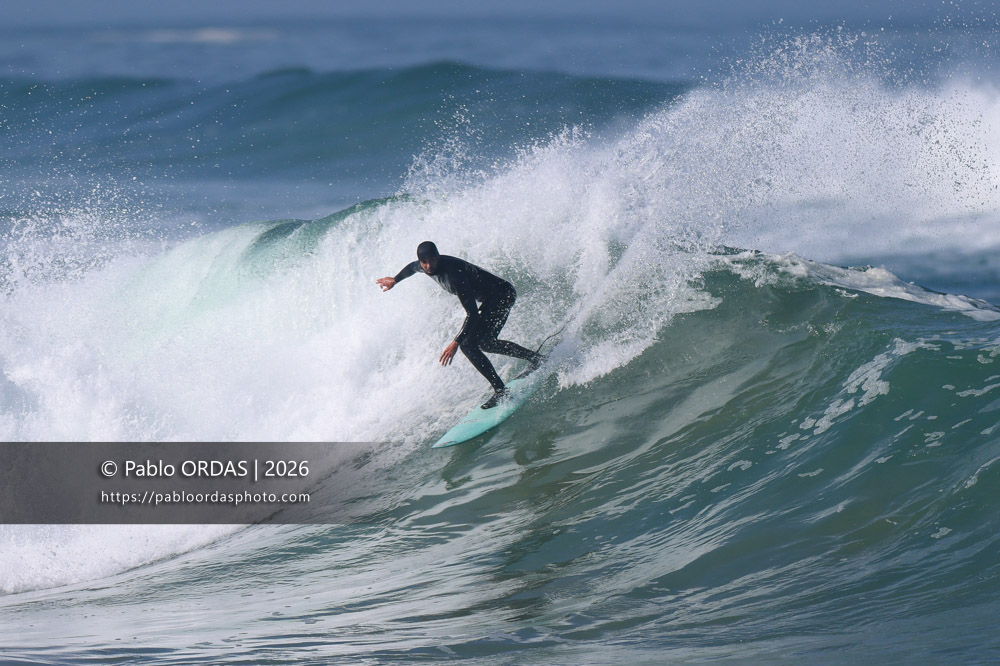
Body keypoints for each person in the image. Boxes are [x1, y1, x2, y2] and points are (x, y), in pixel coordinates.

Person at [377, 241, 542, 409]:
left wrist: (455, 342)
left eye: (432, 260)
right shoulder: (423, 266)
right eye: (424, 262)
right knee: (486, 343)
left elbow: (472, 314)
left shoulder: (454, 276)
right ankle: (535, 359)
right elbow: (411, 268)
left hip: (502, 295)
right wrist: (395, 279)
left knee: (468, 346)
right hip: (491, 297)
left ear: (438, 257)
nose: (428, 265)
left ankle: (501, 391)